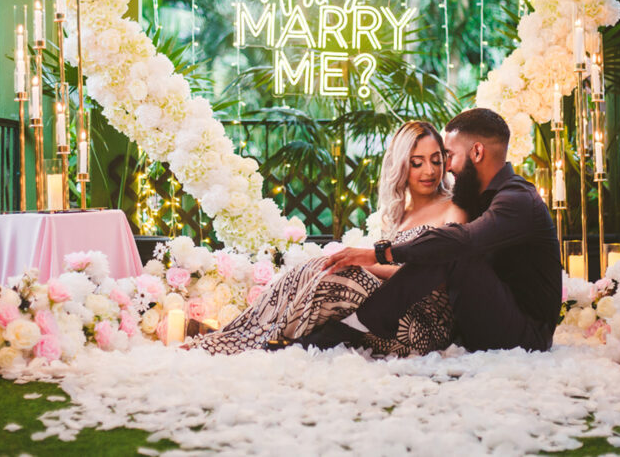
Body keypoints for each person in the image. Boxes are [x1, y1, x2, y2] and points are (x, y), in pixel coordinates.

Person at [186, 120, 468, 355]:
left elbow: (437, 273)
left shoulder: (453, 208)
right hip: (382, 313)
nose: (430, 171)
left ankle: (247, 345)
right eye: (418, 163)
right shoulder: (399, 213)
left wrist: (363, 263)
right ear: (402, 166)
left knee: (341, 277)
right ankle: (231, 337)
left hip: (422, 327)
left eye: (436, 160)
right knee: (314, 267)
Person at [304, 108, 561, 353]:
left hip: (525, 337)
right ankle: (334, 324)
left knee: (452, 247)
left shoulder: (517, 199)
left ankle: (360, 324)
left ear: (477, 152)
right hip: (481, 320)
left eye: (448, 156)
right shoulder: (481, 199)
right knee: (446, 245)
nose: (445, 168)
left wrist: (378, 254)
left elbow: (462, 242)